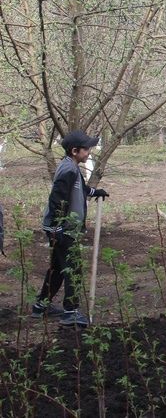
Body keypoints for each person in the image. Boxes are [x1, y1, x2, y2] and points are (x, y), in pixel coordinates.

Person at [32, 131, 109, 328]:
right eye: (87, 149)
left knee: (58, 268)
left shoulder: (72, 168)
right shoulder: (68, 170)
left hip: (63, 228)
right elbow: (57, 198)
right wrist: (59, 225)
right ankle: (70, 311)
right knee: (73, 267)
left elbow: (80, 188)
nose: (89, 153)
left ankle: (41, 305)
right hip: (62, 229)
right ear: (75, 151)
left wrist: (95, 192)